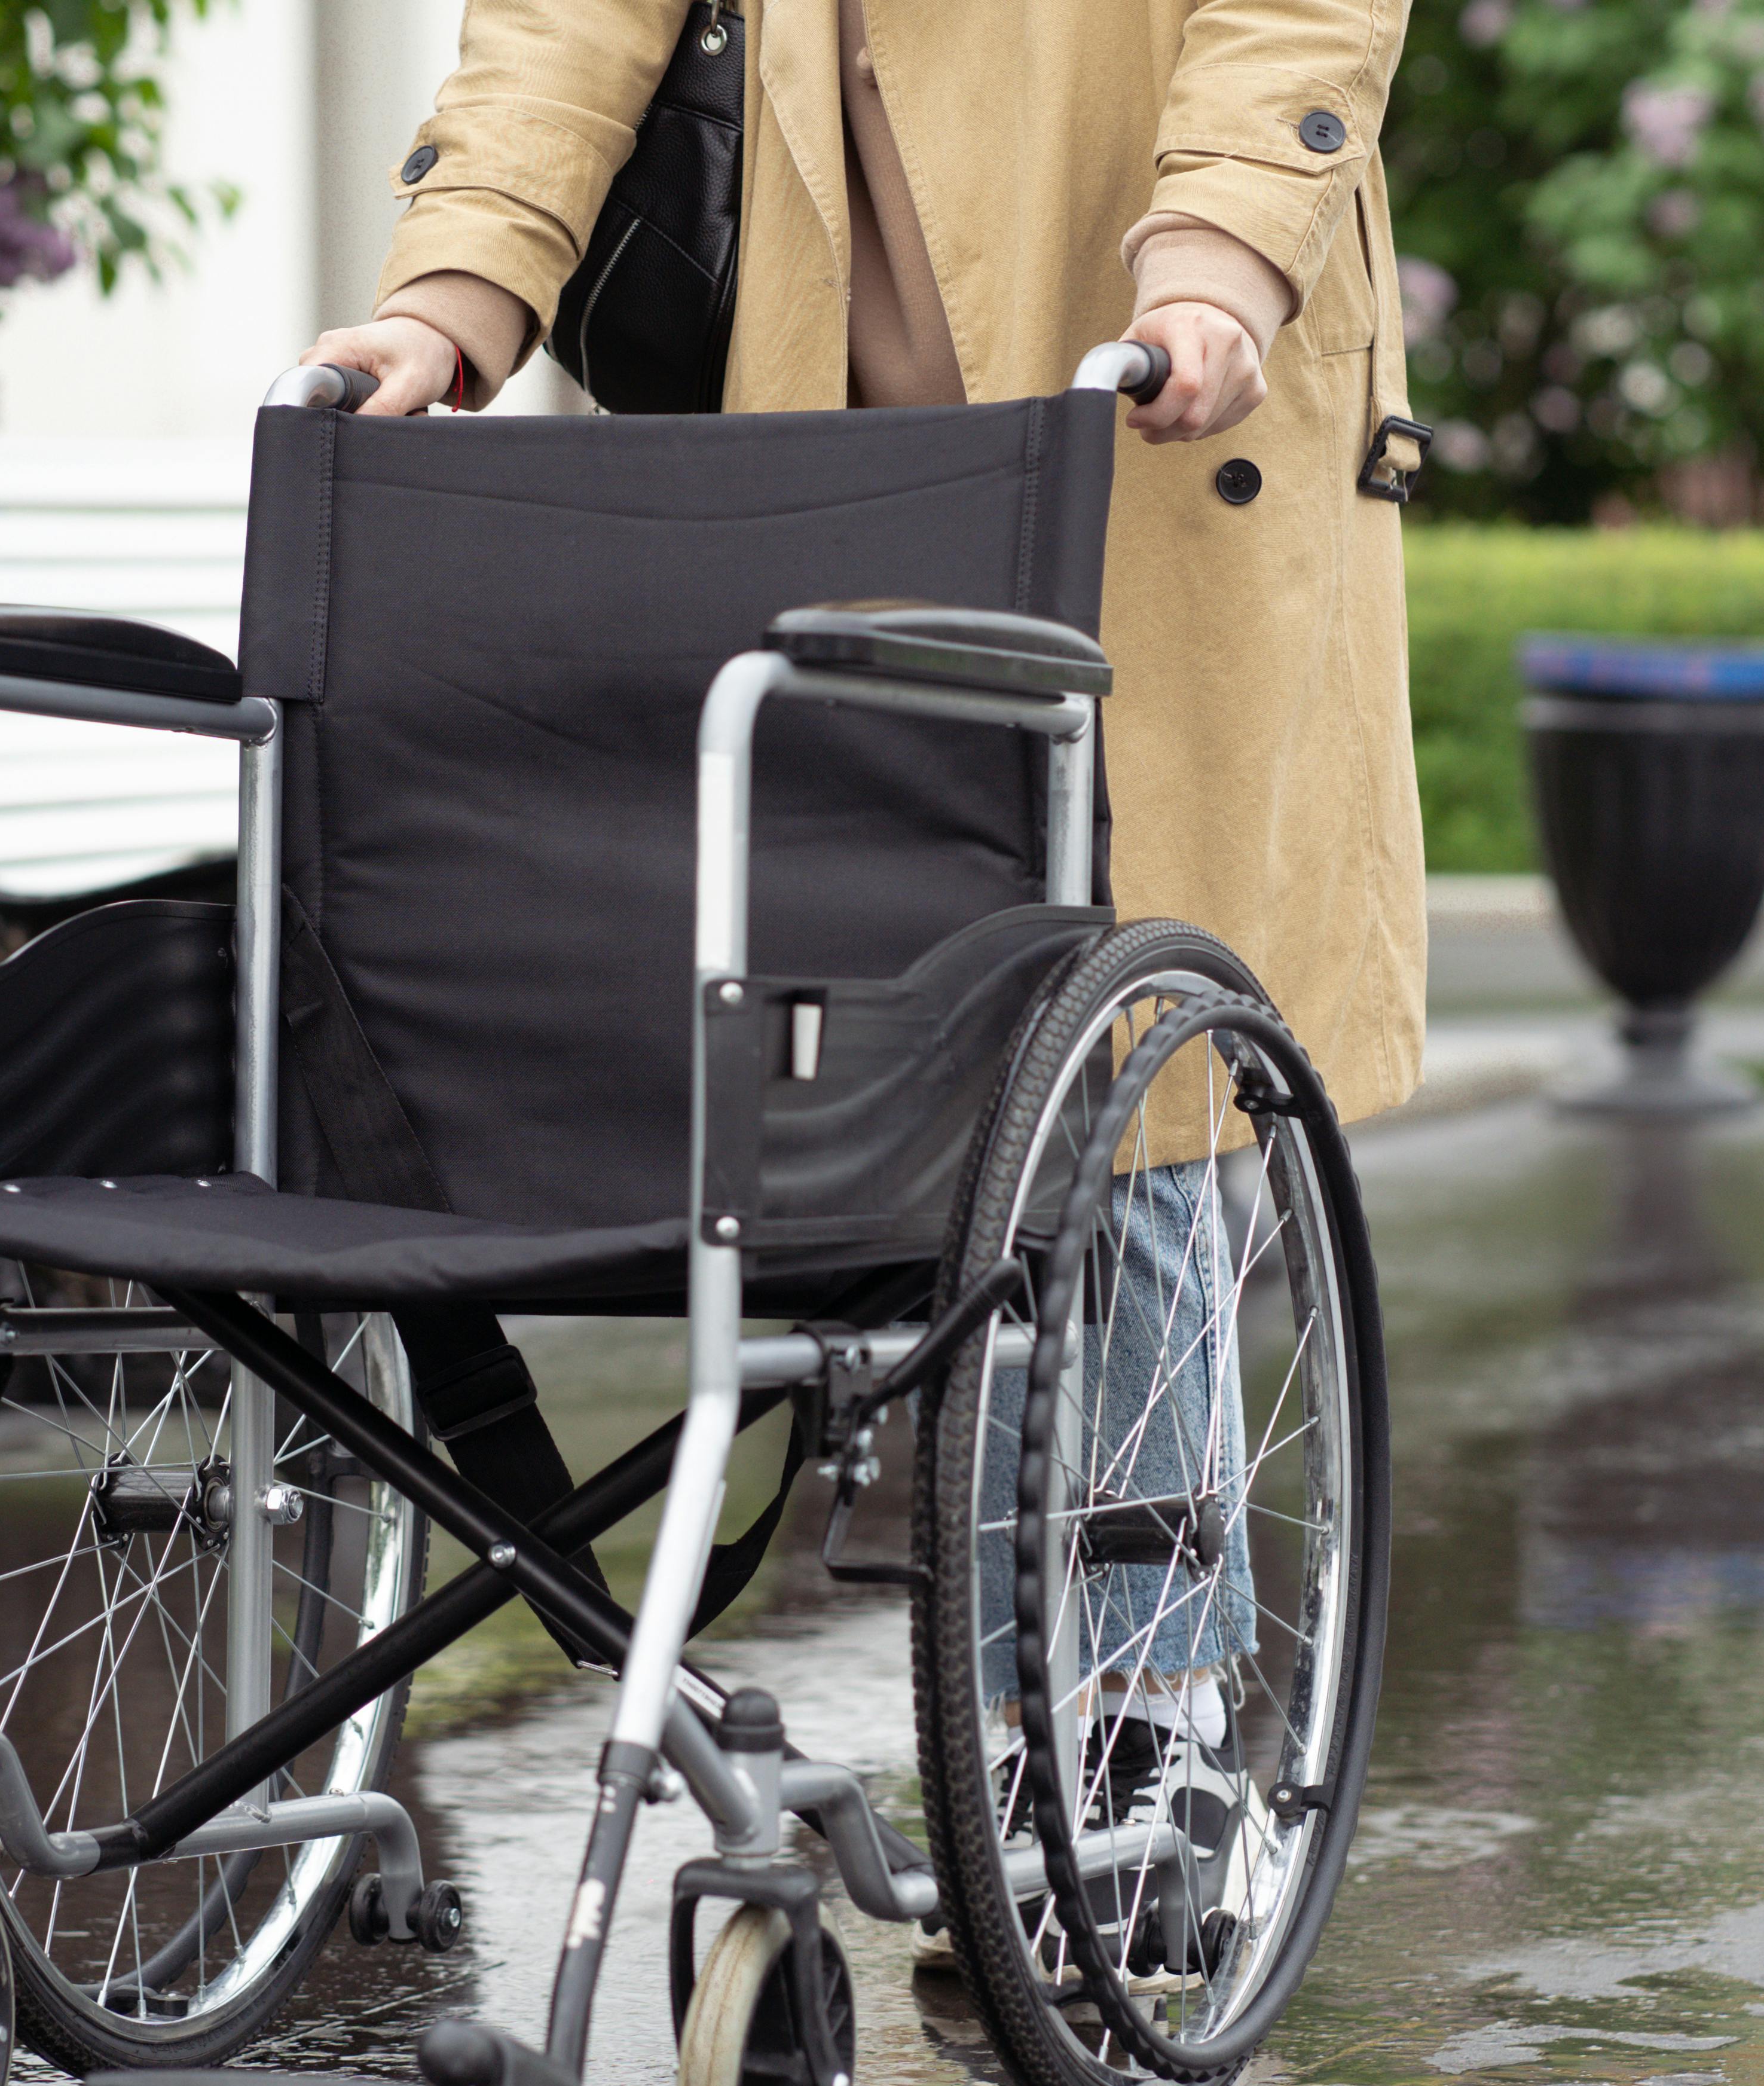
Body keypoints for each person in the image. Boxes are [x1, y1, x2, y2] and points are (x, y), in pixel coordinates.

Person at [296, 0, 1426, 1963]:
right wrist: (457, 287)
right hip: (825, 428)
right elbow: (571, 19)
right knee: (905, 1049)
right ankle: (1011, 1718)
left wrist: (1229, 246)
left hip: (1145, 387)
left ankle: (1150, 1726)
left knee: (1122, 1068)